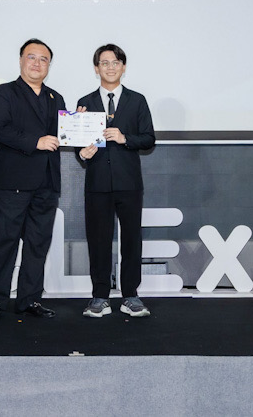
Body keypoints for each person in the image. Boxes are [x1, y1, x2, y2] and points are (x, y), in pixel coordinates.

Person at [0, 39, 66, 321]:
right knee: (3, 242)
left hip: (47, 183)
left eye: (43, 59)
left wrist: (78, 124)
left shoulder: (56, 98)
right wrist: (35, 141)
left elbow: (63, 135)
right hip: (12, 183)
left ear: (49, 65)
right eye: (32, 57)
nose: (37, 63)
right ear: (20, 61)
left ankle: (30, 299)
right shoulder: (4, 92)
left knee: (37, 245)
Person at [76, 44, 155, 318]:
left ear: (123, 67)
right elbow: (78, 141)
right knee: (98, 240)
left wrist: (125, 138)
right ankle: (100, 296)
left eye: (115, 62)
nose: (110, 67)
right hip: (97, 182)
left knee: (132, 240)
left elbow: (149, 138)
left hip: (129, 182)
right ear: (96, 68)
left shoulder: (137, 100)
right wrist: (82, 152)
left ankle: (130, 295)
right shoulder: (85, 103)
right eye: (104, 62)